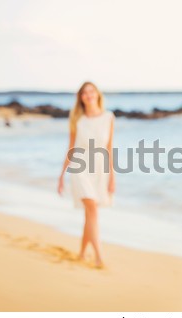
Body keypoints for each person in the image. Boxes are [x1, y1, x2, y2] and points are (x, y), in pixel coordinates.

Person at [58, 82, 115, 268]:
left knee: (90, 213)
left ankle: (82, 253)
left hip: (100, 168)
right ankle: (98, 256)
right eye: (84, 93)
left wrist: (112, 177)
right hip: (80, 166)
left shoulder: (108, 117)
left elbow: (109, 149)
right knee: (92, 207)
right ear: (80, 98)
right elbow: (71, 147)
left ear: (98, 94)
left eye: (91, 91)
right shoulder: (77, 119)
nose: (88, 95)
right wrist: (61, 175)